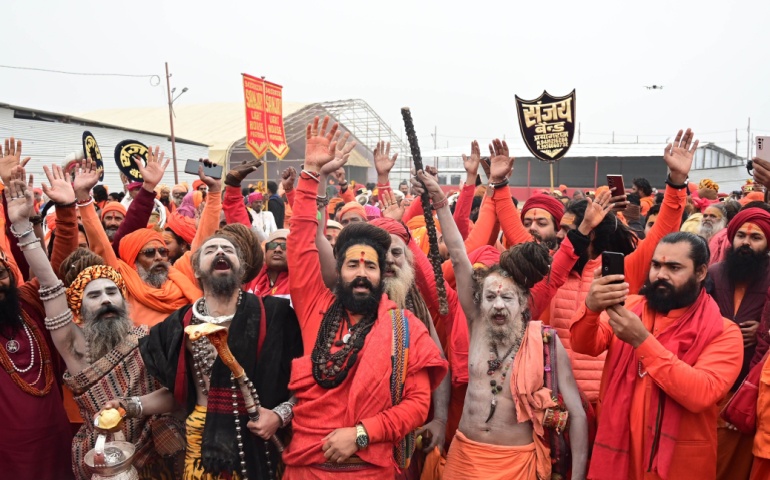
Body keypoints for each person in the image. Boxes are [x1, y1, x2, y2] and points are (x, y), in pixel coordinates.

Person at [412, 141, 588, 480]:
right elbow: (461, 257)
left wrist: (577, 476)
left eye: (506, 298)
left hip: (517, 463)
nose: (497, 305)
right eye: (490, 296)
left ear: (524, 303)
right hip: (464, 457)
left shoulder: (545, 341)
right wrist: (439, 201)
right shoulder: (476, 321)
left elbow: (577, 415)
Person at [283, 116, 447, 478]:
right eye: (353, 264)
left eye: (370, 266)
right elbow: (300, 247)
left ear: (381, 274)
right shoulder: (317, 309)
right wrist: (311, 175)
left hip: (369, 469)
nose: (361, 273)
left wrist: (361, 434)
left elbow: (419, 404)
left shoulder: (404, 329)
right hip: (305, 468)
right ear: (338, 272)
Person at [99, 234, 303, 479]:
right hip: (202, 445)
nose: (220, 252)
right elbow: (179, 395)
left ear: (241, 266)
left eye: (227, 249)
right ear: (195, 270)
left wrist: (280, 416)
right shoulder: (177, 325)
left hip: (261, 441)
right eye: (210, 250)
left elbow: (304, 384)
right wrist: (129, 406)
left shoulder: (275, 315)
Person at [571, 232, 743, 479]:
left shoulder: (724, 332)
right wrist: (591, 308)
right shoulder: (630, 307)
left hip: (677, 462)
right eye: (656, 265)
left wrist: (642, 341)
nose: (661, 274)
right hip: (620, 455)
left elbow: (701, 393)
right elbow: (584, 344)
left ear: (701, 272)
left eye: (674, 267)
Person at [0, 140, 75, 479]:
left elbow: (53, 271)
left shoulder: (29, 304)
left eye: (1, 273)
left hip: (58, 443)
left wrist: (66, 212)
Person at [76, 154, 218, 327]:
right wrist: (83, 198)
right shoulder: (122, 280)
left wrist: (215, 191)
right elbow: (101, 244)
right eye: (149, 253)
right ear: (132, 259)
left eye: (163, 251)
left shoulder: (181, 274)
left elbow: (204, 242)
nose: (159, 257)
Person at [708, 207, 770, 479]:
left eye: (755, 237)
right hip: (712, 386)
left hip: (752, 389)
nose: (746, 242)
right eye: (741, 235)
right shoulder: (713, 273)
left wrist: (763, 330)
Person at [248, 229, 290, 298]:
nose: (277, 249)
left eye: (284, 246)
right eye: (272, 245)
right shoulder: (253, 276)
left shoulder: (300, 281)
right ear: (265, 252)